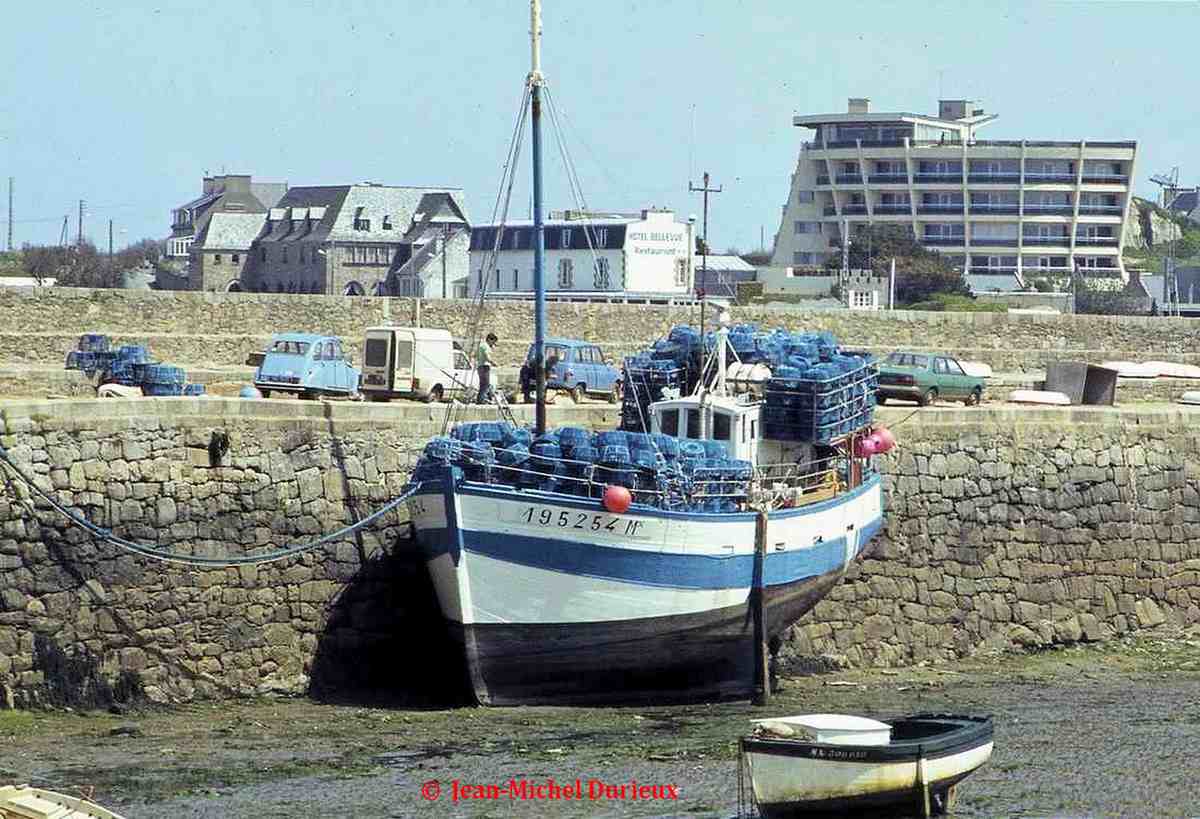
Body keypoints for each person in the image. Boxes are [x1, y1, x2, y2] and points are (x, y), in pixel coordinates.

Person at [476, 332, 498, 403]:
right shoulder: (485, 346)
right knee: (486, 384)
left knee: (482, 384)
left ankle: (480, 399)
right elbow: (487, 356)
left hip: (480, 366)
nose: (493, 343)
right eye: (493, 341)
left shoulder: (482, 345)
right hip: (484, 366)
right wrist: (493, 363)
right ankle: (481, 399)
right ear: (489, 339)